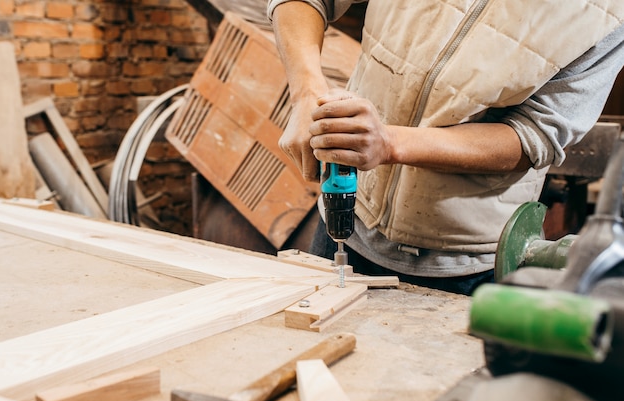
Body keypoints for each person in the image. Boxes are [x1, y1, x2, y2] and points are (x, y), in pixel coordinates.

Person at [266, 0, 624, 295]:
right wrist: (305, 93)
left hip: (465, 269)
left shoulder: (607, 12)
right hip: (348, 223)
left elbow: (533, 135)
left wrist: (389, 143)